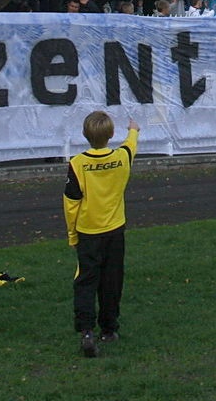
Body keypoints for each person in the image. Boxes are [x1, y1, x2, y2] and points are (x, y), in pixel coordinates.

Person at [64, 111, 139, 358]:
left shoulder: (78, 164)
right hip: (115, 230)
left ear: (85, 135)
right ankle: (109, 329)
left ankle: (86, 330)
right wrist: (133, 130)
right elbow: (131, 146)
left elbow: (71, 203)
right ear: (111, 134)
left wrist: (72, 235)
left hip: (88, 232)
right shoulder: (122, 157)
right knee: (112, 280)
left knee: (86, 281)